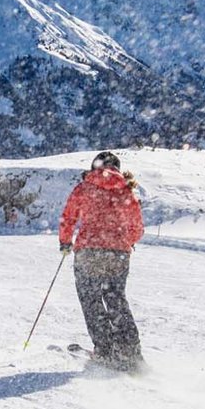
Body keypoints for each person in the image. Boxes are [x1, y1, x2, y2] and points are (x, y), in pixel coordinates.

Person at [58, 150, 145, 370]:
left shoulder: (85, 187)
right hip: (118, 252)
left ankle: (105, 351)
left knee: (91, 299)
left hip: (89, 251)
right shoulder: (125, 190)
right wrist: (126, 241)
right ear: (117, 168)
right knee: (116, 298)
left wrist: (66, 242)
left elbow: (69, 216)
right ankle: (130, 352)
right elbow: (137, 226)